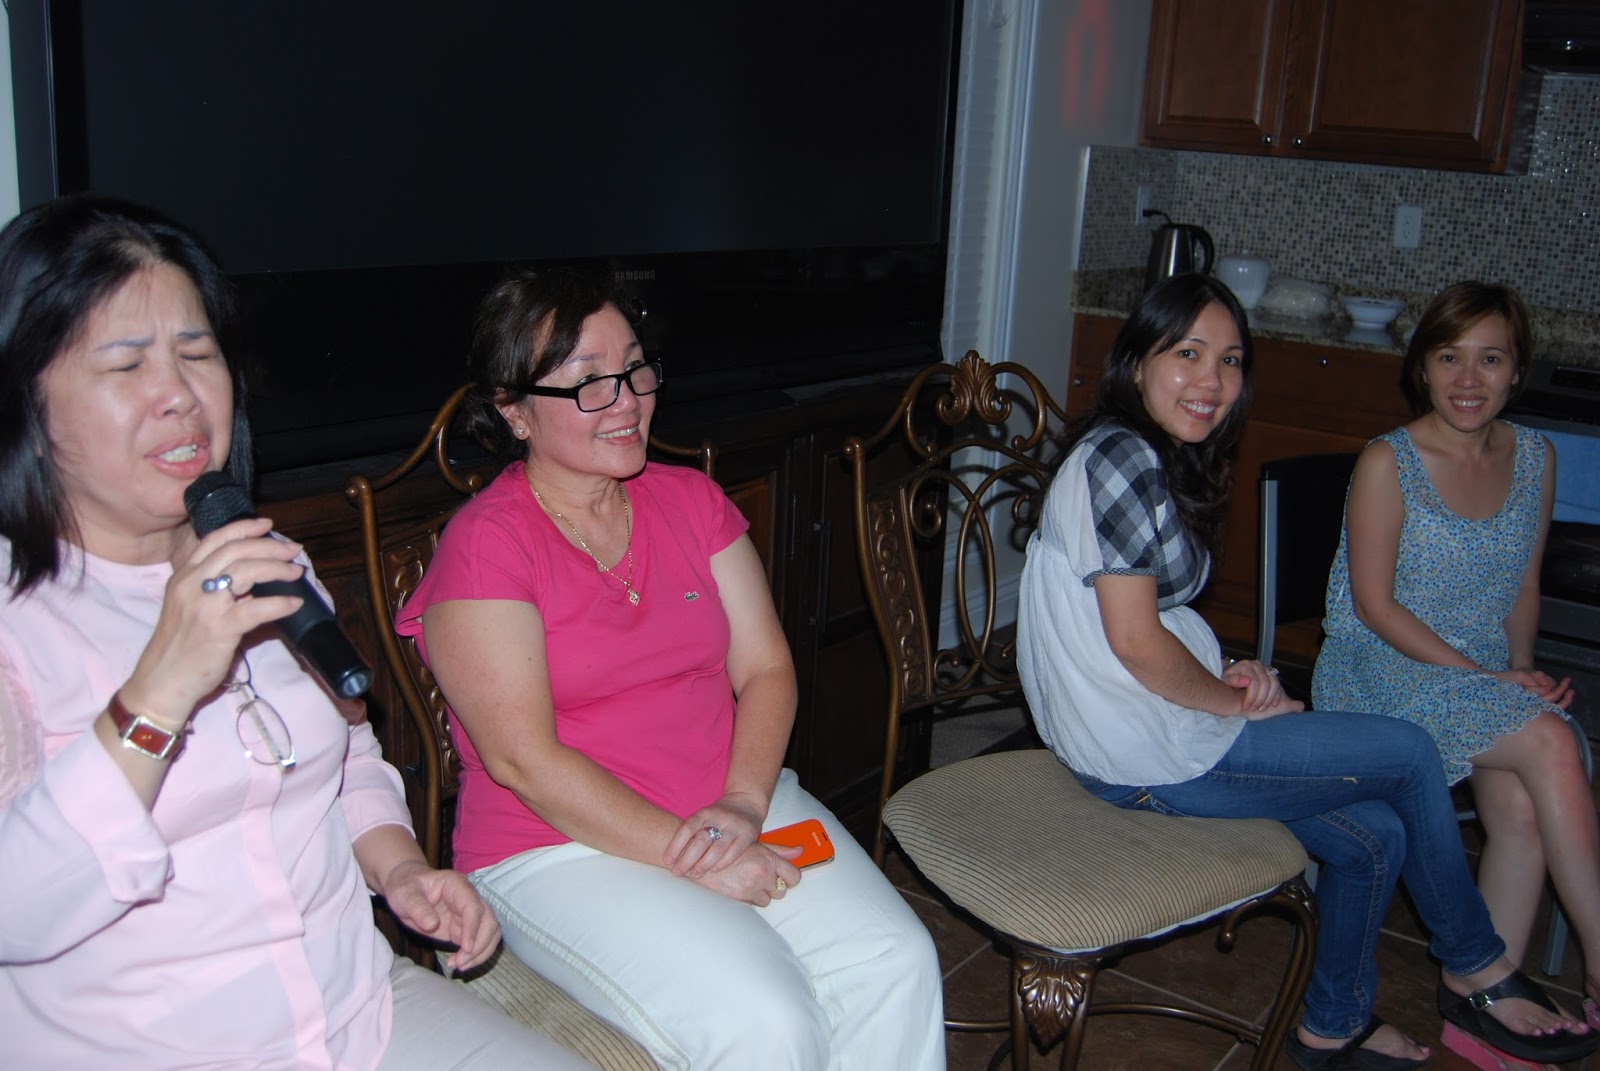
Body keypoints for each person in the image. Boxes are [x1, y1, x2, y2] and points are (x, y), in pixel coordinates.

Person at [0, 195, 593, 1071]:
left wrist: (398, 869)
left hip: (357, 1013)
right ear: (29, 404)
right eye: (125, 364)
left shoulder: (266, 556)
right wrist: (159, 690)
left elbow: (344, 756)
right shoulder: (19, 622)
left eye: (197, 353)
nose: (179, 396)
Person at [1016, 272, 1597, 1070]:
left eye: (1229, 360)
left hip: (1145, 727)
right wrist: (1231, 702)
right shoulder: (1121, 455)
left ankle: (1332, 1025)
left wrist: (1228, 669)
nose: (1211, 381)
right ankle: (1474, 964)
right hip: (1142, 751)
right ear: (1137, 361)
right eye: (1187, 353)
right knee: (1408, 753)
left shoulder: (1141, 454)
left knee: (1375, 835)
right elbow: (1135, 643)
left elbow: (1137, 620)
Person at [393, 268, 944, 1071]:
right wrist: (693, 853)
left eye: (635, 368)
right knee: (765, 1019)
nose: (626, 400)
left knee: (895, 960)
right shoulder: (487, 545)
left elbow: (766, 667)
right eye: (589, 381)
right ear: (514, 410)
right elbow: (523, 760)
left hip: (727, 799)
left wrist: (743, 803)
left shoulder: (690, 500)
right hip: (559, 846)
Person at [1313, 281, 1600, 1063]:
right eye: (1449, 357)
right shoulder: (1388, 460)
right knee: (1553, 744)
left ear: (1517, 370)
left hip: (1477, 675)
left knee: (1524, 804)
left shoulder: (1535, 457)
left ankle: (1481, 1006)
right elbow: (1373, 607)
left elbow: (1523, 586)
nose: (1468, 378)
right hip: (1380, 670)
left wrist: (1519, 672)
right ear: (1423, 368)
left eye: (1490, 358)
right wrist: (1488, 681)